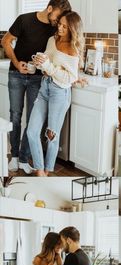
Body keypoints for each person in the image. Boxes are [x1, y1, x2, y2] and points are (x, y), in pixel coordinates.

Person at [1, 0, 72, 175]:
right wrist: (17, 64)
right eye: (57, 18)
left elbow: (61, 53)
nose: (58, 24)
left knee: (33, 121)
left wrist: (74, 75)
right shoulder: (24, 20)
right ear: (49, 8)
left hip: (38, 79)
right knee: (15, 116)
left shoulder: (55, 29)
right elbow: (5, 41)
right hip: (16, 74)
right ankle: (15, 157)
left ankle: (24, 158)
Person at [27, 11, 84, 176]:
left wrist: (48, 67)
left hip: (60, 92)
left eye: (65, 26)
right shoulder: (52, 40)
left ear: (73, 29)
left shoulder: (73, 50)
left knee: (52, 135)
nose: (60, 27)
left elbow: (70, 78)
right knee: (32, 131)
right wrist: (39, 63)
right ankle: (40, 169)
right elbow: (47, 60)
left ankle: (46, 170)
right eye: (60, 24)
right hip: (44, 87)